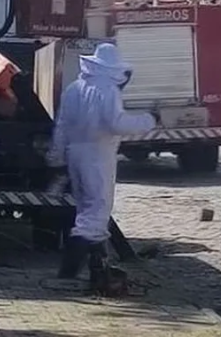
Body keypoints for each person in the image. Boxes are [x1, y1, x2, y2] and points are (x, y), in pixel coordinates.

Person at [47, 43, 157, 279]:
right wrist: (149, 120)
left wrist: (56, 157)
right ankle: (68, 271)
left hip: (74, 155)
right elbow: (116, 123)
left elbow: (62, 127)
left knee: (85, 209)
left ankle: (99, 265)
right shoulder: (108, 90)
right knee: (97, 210)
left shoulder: (74, 88)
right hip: (97, 155)